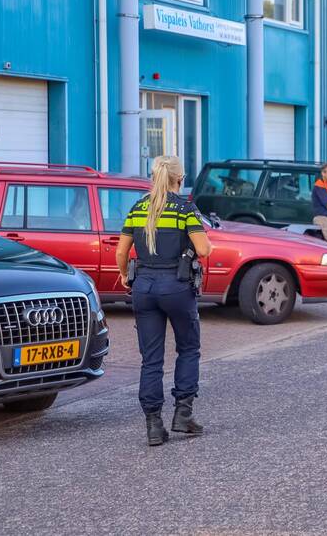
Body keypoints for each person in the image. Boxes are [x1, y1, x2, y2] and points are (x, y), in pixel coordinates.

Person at [116, 155, 213, 447]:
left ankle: (154, 426)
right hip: (177, 287)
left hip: (143, 287)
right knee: (188, 347)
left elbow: (121, 253)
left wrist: (124, 275)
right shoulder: (185, 209)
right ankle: (183, 414)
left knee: (151, 359)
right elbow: (203, 249)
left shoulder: (138, 207)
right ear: (179, 179)